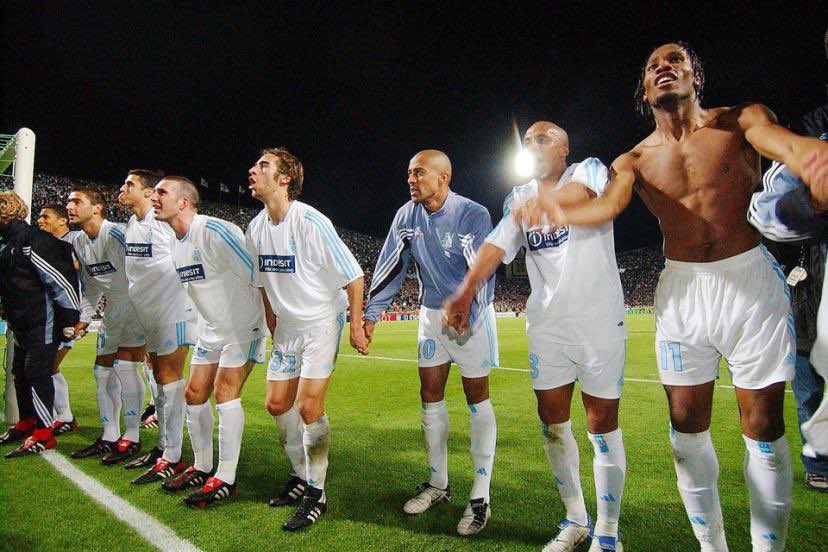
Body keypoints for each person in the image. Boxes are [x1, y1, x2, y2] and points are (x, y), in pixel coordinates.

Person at [521, 42, 828, 551]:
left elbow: (787, 146)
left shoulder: (742, 121)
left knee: (765, 429)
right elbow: (608, 206)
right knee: (686, 433)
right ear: (645, 91)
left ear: (695, 77)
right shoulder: (634, 159)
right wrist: (558, 209)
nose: (664, 68)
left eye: (675, 61)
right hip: (682, 292)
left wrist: (812, 155)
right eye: (653, 66)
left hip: (749, 282)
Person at [445, 121, 627, 552]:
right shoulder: (517, 197)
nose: (533, 144)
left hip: (598, 321)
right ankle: (576, 519)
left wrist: (541, 203)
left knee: (601, 426)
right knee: (552, 423)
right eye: (527, 141)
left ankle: (608, 530)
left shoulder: (590, 169)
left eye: (544, 138)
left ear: (565, 148)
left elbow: (583, 196)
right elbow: (497, 244)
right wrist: (466, 290)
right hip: (547, 326)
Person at [363, 150, 498, 536]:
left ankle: (480, 495)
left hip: (468, 317)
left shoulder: (472, 213)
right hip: (429, 316)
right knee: (430, 394)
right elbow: (391, 263)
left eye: (419, 173)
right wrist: (372, 314)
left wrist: (467, 309)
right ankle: (438, 483)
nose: (411, 179)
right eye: (408, 173)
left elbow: (482, 269)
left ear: (444, 177)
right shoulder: (407, 215)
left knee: (477, 397)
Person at [246, 147, 369, 530]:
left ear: (285, 179)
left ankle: (317, 493)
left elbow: (354, 275)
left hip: (320, 322)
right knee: (275, 403)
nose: (252, 170)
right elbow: (262, 282)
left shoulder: (311, 222)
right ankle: (301, 476)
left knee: (308, 407)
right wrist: (272, 321)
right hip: (288, 328)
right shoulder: (255, 227)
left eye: (263, 165)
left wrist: (354, 324)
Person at [151, 176, 267, 507]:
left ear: (184, 202)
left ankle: (226, 477)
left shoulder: (215, 231)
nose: (155, 197)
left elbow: (256, 273)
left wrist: (268, 321)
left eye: (162, 192)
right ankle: (202, 466)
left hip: (243, 325)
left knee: (225, 392)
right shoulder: (174, 240)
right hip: (211, 328)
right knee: (194, 393)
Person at [118, 169, 199, 483]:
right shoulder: (132, 223)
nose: (123, 188)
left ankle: (173, 455)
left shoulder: (162, 223)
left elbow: (187, 255)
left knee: (169, 380)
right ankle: (165, 446)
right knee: (159, 380)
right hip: (149, 313)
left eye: (130, 184)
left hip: (174, 310)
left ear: (150, 191)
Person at [66, 187, 148, 465]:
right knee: (101, 372)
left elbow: (145, 269)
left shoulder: (116, 234)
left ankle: (133, 436)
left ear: (97, 207)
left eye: (77, 201)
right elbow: (89, 285)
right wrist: (85, 317)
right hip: (113, 310)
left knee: (126, 368)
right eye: (68, 202)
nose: (70, 206)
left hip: (136, 305)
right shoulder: (78, 240)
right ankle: (109, 435)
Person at [0, 191, 81, 457]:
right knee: (20, 373)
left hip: (42, 320)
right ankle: (27, 423)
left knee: (36, 372)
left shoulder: (31, 239)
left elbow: (60, 280)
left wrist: (71, 318)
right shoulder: (8, 242)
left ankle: (45, 433)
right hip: (22, 321)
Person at [36, 204, 83, 435]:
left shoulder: (75, 239)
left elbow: (79, 266)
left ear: (62, 221)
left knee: (49, 365)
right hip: (51, 314)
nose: (40, 220)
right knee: (47, 365)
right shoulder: (44, 243)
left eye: (46, 216)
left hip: (68, 314)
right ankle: (59, 415)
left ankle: (64, 417)